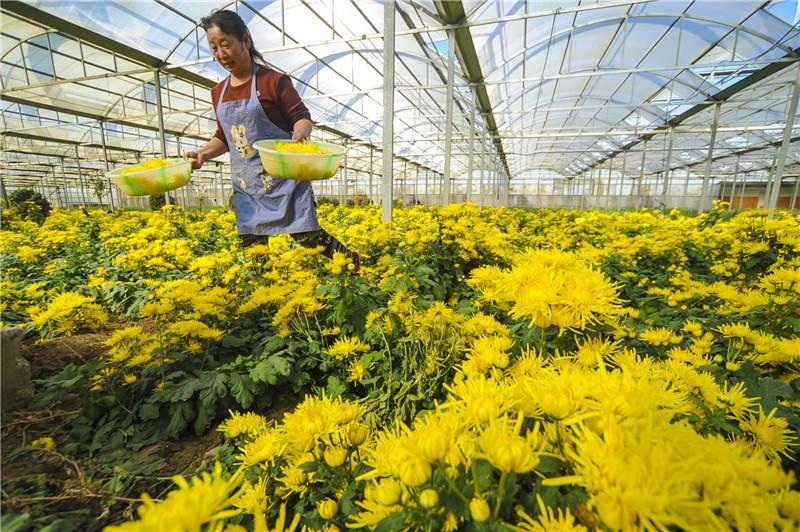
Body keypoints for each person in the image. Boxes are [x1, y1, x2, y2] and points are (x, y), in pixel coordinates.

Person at [184, 9, 360, 271]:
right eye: (214, 48)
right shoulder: (218, 92)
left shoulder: (272, 81)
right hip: (247, 183)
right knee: (253, 247)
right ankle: (264, 298)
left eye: (226, 45)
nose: (221, 54)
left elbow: (301, 117)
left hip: (283, 179)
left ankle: (349, 261)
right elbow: (224, 135)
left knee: (308, 237)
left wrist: (300, 133)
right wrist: (204, 154)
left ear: (245, 41)